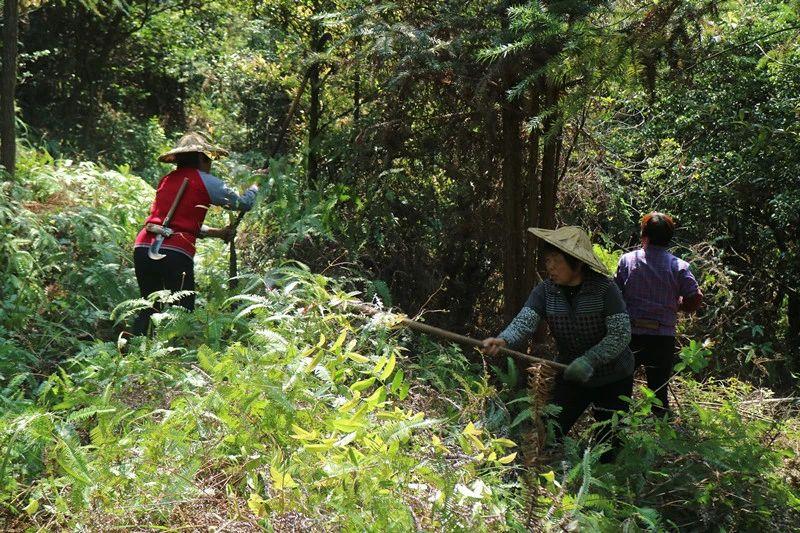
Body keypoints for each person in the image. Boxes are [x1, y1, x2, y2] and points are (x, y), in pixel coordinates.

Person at [483, 226, 634, 462]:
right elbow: (525, 321)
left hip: (613, 376)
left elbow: (620, 335)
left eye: (556, 261)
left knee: (609, 442)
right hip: (570, 372)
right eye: (547, 261)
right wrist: (503, 339)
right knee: (550, 430)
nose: (550, 267)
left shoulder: (606, 290)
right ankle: (541, 478)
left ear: (577, 262)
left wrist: (590, 359)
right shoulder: (545, 292)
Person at [131, 132, 258, 335]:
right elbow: (244, 203)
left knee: (149, 306)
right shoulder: (206, 181)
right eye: (208, 158)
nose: (210, 163)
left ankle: (134, 353)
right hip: (175, 252)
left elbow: (174, 223)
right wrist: (254, 186)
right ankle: (176, 357)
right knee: (182, 311)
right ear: (201, 158)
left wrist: (219, 233)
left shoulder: (166, 180)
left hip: (144, 246)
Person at [614, 212, 702, 416]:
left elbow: (614, 294)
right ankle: (664, 438)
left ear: (644, 235)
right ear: (669, 238)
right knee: (659, 393)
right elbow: (696, 298)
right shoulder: (678, 266)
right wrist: (678, 305)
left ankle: (615, 432)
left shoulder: (627, 260)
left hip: (630, 337)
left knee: (619, 389)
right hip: (662, 339)